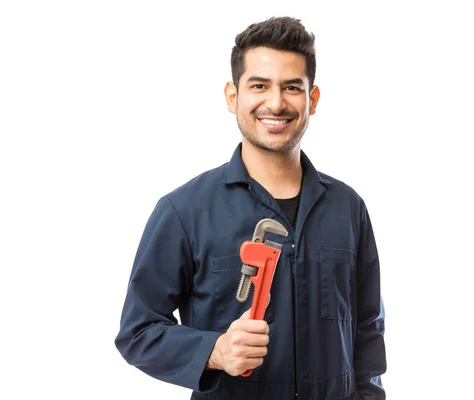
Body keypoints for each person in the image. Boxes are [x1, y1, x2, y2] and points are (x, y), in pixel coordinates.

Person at [115, 16, 386, 400]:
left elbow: (367, 329)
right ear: (232, 96)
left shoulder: (348, 208)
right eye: (259, 85)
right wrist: (214, 352)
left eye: (292, 87)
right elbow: (138, 331)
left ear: (313, 99)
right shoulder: (184, 211)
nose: (275, 102)